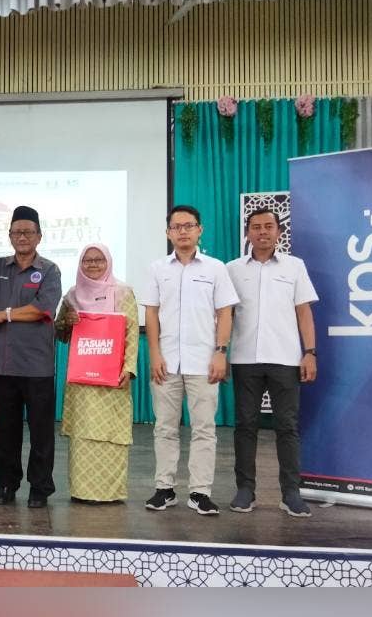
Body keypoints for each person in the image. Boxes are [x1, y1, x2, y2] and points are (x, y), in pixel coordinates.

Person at [141, 205, 239, 516]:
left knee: (204, 429)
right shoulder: (158, 268)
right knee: (165, 427)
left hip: (204, 361)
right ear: (168, 232)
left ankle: (200, 492)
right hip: (166, 361)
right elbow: (152, 314)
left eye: (189, 225)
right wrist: (154, 353)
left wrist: (220, 352)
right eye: (176, 226)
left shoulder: (215, 268)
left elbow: (225, 312)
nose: (183, 231)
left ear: (200, 230)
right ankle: (164, 488)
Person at [226, 208, 319, 517]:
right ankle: (245, 490)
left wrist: (311, 352)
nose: (262, 232)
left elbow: (303, 311)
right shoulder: (232, 269)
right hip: (244, 358)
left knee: (287, 427)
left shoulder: (295, 266)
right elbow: (224, 315)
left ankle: (291, 492)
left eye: (268, 226)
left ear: (279, 231)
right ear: (248, 233)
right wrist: (220, 351)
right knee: (245, 426)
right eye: (256, 227)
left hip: (285, 358)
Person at [0, 205, 62, 509]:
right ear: (9, 236)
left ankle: (40, 488)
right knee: (4, 431)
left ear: (39, 236)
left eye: (28, 232)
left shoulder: (50, 270)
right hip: (2, 366)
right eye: (17, 232)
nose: (23, 237)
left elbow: (43, 309)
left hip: (38, 366)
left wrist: (3, 314)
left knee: (41, 433)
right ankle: (6, 484)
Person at [54, 243, 139, 503]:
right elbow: (60, 334)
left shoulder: (123, 292)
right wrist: (66, 322)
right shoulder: (71, 295)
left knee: (111, 433)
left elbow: (132, 332)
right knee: (83, 433)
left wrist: (129, 368)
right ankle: (82, 491)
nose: (92, 264)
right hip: (83, 381)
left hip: (112, 379)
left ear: (108, 262)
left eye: (98, 260)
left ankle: (111, 492)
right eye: (87, 261)